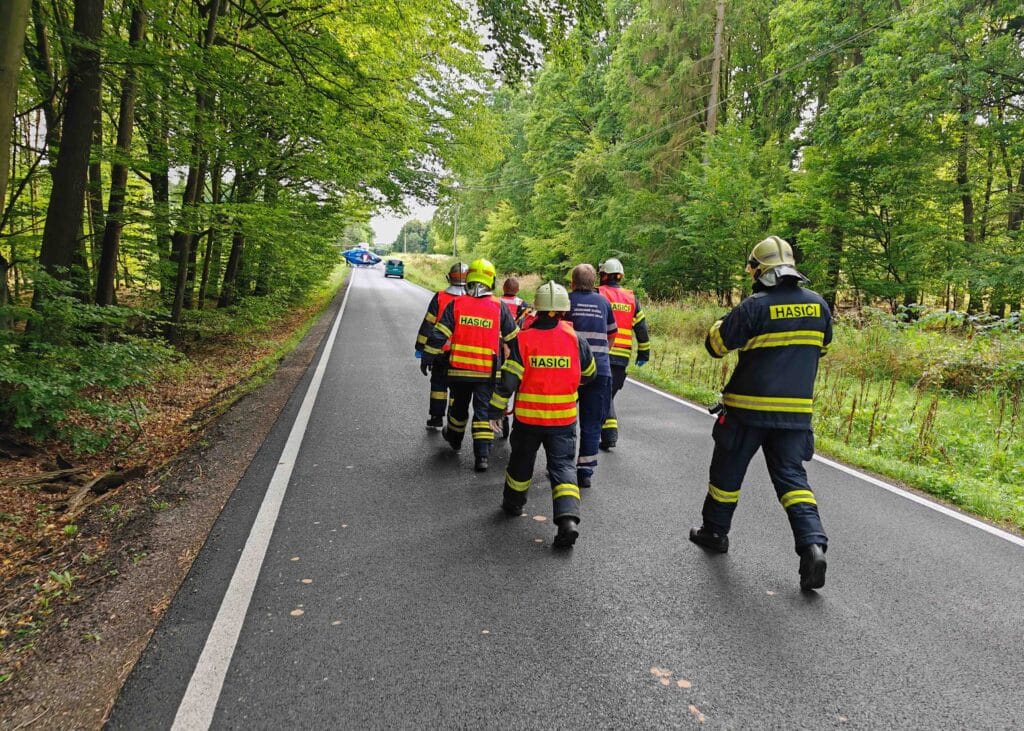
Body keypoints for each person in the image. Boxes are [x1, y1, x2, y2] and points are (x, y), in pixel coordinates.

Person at [688, 236, 831, 591]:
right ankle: (812, 546)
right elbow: (822, 348)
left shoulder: (754, 306)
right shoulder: (819, 306)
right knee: (793, 481)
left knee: (726, 475)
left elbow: (715, 346)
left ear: (759, 270)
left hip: (746, 411)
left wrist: (732, 314)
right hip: (795, 415)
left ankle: (715, 533)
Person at [489, 281, 597, 548]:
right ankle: (567, 520)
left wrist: (495, 409)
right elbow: (590, 373)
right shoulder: (576, 340)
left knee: (521, 463)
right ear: (563, 311)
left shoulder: (523, 340)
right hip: (563, 421)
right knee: (562, 467)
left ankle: (513, 504)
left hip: (528, 420)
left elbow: (509, 380)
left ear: (536, 310)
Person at [422, 258, 519, 472]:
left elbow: (439, 333)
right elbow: (514, 339)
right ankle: (482, 456)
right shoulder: (498, 307)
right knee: (483, 413)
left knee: (458, 410)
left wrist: (427, 355)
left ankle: (455, 440)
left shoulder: (457, 304)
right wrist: (520, 367)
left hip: (458, 372)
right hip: (486, 374)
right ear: (491, 281)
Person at [567, 264, 617, 489]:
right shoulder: (604, 303)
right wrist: (601, 354)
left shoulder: (566, 301)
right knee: (592, 422)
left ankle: (563, 466)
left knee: (565, 420)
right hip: (600, 370)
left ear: (573, 282)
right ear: (594, 281)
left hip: (570, 371)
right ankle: (585, 471)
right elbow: (612, 335)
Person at [598, 258, 651, 450]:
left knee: (603, 394)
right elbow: (641, 328)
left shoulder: (599, 293)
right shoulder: (631, 298)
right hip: (622, 357)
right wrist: (644, 353)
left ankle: (610, 433)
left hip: (603, 352)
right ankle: (607, 434)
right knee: (607, 393)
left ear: (604, 275)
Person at [415, 262, 468, 430]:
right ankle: (454, 418)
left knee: (438, 384)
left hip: (439, 351)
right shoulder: (472, 301)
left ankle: (436, 417)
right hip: (461, 354)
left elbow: (429, 323)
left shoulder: (440, 297)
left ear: (448, 278)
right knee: (457, 388)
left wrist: (421, 348)